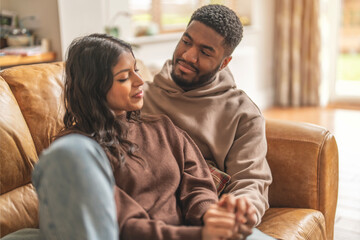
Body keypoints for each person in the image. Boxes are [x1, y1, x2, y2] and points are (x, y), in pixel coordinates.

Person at [1, 34, 250, 240]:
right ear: (95, 87)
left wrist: (212, 216)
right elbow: (124, 225)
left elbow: (198, 185)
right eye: (124, 77)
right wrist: (199, 235)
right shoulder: (77, 153)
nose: (140, 81)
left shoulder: (162, 127)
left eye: (136, 71)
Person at [142, 4, 273, 238]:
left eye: (205, 52)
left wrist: (239, 212)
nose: (188, 56)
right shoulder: (141, 94)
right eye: (186, 41)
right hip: (150, 214)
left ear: (224, 63)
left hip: (207, 219)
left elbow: (250, 181)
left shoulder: (243, 114)